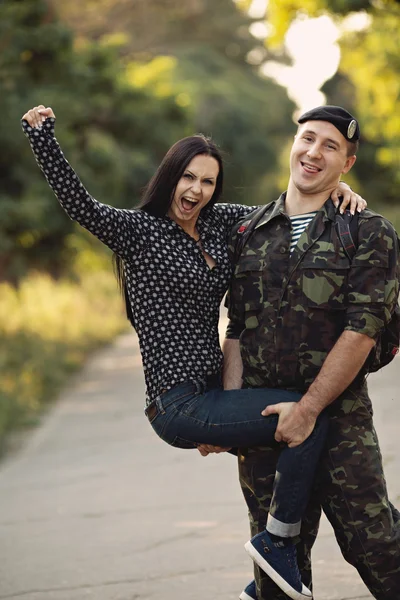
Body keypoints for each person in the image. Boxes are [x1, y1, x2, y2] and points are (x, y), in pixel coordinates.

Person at [22, 105, 366, 600]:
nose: (196, 191)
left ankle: (267, 578)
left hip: (209, 397)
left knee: (301, 416)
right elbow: (81, 205)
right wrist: (42, 136)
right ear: (170, 177)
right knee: (307, 417)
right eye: (188, 177)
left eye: (207, 182)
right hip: (177, 403)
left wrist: (338, 191)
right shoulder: (137, 232)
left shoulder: (217, 224)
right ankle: (276, 546)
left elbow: (285, 210)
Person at [219, 105, 400, 600]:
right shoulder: (249, 229)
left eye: (331, 146)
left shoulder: (368, 232)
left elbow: (364, 331)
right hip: (264, 421)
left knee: (378, 548)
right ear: (293, 143)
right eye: (308, 138)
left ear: (348, 162)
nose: (314, 152)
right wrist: (230, 409)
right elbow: (235, 325)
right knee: (277, 573)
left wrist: (310, 409)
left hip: (339, 420)